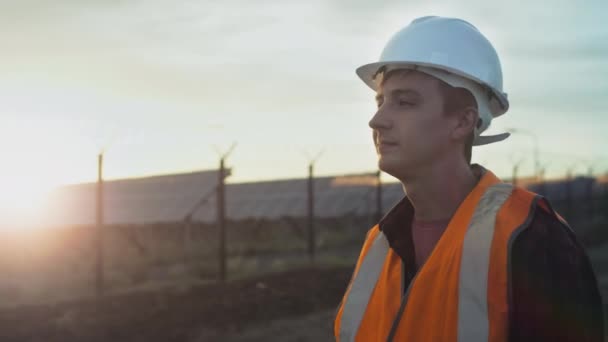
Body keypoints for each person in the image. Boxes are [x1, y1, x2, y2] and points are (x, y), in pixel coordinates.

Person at [334, 16, 603, 342]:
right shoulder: (379, 245)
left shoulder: (531, 236)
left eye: (404, 102)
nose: (377, 121)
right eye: (381, 101)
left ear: (463, 122)